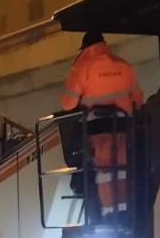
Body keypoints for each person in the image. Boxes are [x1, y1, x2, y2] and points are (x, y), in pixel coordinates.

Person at [59, 32, 143, 214]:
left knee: (104, 169)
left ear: (85, 49)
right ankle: (123, 211)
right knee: (121, 166)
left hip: (97, 127)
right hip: (122, 125)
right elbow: (138, 99)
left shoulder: (83, 67)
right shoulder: (124, 65)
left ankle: (107, 213)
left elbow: (67, 103)